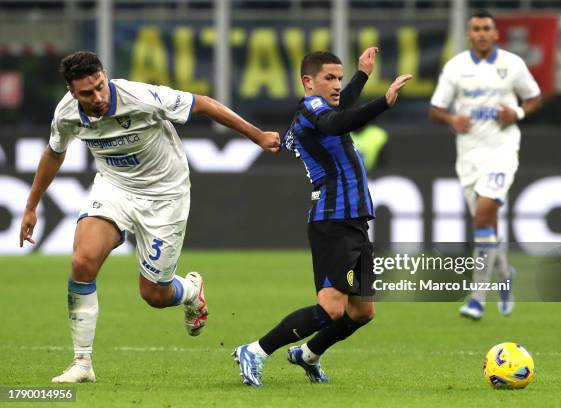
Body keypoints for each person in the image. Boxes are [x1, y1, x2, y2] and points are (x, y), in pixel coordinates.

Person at [19, 51, 280, 383]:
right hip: (113, 188)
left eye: (100, 86)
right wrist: (31, 206)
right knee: (82, 263)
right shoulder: (67, 114)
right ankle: (82, 363)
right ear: (72, 92)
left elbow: (202, 103)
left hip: (165, 195)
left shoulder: (141, 97)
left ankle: (189, 292)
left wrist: (257, 136)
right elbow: (54, 153)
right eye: (87, 93)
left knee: (153, 295)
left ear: (105, 75)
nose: (97, 97)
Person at [233, 48, 411, 386]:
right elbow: (338, 120)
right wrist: (383, 102)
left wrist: (361, 76)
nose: (337, 85)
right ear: (307, 82)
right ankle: (255, 350)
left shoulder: (323, 110)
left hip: (354, 219)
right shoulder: (311, 109)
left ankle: (308, 354)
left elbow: (340, 110)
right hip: (333, 218)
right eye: (329, 78)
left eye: (339, 79)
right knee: (331, 307)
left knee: (362, 312)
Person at [429, 10, 542, 320]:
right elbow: (435, 109)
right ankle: (505, 275)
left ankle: (477, 297)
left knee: (484, 213)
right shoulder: (456, 68)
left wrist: (516, 113)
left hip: (502, 150)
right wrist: (453, 118)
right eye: (475, 28)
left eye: (486, 28)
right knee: (487, 224)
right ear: (469, 34)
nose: (481, 33)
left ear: (495, 34)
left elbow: (534, 98)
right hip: (468, 155)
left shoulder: (512, 64)